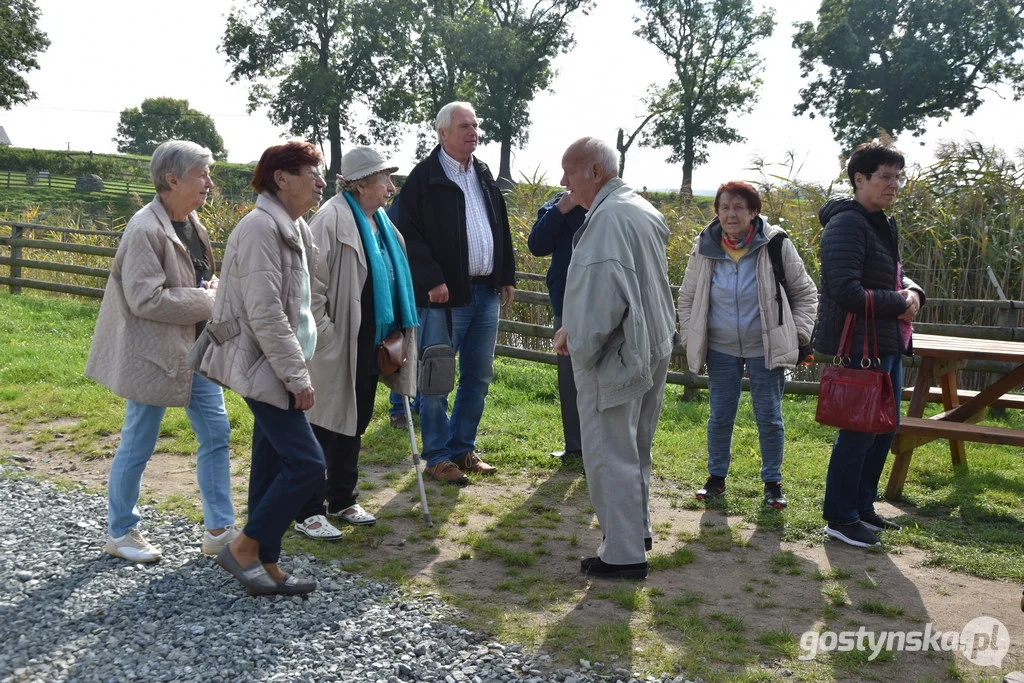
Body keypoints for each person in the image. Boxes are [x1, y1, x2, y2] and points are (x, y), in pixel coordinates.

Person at [85, 140, 237, 563]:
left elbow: (200, 280)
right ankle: (120, 532)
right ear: (173, 180)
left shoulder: (192, 222)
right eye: (202, 174)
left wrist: (213, 292)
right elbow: (145, 299)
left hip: (196, 353)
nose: (209, 182)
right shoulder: (145, 229)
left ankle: (220, 529)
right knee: (139, 440)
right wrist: (210, 300)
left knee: (217, 434)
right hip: (154, 356)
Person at [196, 141, 327, 595]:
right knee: (309, 465)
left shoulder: (291, 226)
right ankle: (245, 547)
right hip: (265, 366)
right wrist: (297, 376)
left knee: (273, 464)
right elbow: (266, 314)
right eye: (313, 172)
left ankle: (266, 561)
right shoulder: (259, 230)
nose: (322, 182)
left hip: (278, 362)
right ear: (282, 178)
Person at [553, 137, 676, 580]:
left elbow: (603, 301)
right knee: (636, 446)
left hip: (617, 352)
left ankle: (622, 555)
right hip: (652, 343)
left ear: (595, 172)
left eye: (569, 172)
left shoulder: (606, 221)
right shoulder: (640, 208)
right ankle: (635, 531)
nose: (562, 182)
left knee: (609, 451)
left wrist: (577, 341)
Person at [296, 147, 418, 537]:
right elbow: (309, 288)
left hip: (370, 342)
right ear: (363, 182)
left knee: (355, 420)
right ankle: (308, 509)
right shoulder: (329, 220)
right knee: (323, 424)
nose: (390, 186)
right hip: (337, 344)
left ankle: (343, 499)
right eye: (385, 178)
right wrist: (326, 337)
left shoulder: (380, 221)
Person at [677, 181, 818, 509]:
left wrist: (796, 337)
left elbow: (805, 293)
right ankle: (716, 478)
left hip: (765, 347)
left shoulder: (776, 244)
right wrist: (691, 335)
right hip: (721, 347)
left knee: (769, 416)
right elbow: (686, 297)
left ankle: (773, 482)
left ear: (754, 212)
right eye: (724, 207)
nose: (730, 214)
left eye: (739, 207)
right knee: (720, 415)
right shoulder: (705, 245)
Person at [397, 101, 516, 485]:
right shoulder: (424, 178)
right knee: (436, 377)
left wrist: (506, 274)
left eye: (476, 125)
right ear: (443, 133)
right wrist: (432, 278)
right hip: (445, 298)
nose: (473, 132)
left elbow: (501, 227)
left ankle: (463, 448)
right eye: (464, 126)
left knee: (478, 376)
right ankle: (437, 456)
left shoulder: (482, 174)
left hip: (486, 293)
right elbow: (407, 236)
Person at [815, 142, 925, 549]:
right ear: (859, 179)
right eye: (885, 176)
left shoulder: (880, 221)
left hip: (887, 342)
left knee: (882, 429)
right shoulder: (847, 224)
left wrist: (914, 291)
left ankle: (862, 508)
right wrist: (901, 303)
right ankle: (840, 518)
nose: (894, 184)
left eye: (898, 176)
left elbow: (891, 276)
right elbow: (845, 290)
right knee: (859, 431)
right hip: (864, 345)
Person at [528, 190, 587, 459]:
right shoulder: (555, 206)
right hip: (566, 303)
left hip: (601, 305)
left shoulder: (608, 207)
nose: (565, 181)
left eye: (570, 173)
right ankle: (574, 446)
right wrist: (560, 210)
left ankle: (597, 447)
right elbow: (537, 246)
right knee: (568, 378)